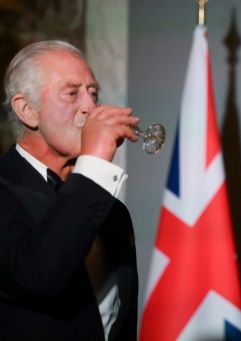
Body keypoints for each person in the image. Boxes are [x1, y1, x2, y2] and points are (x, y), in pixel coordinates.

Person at [0, 40, 139, 340]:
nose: (90, 107)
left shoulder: (114, 212)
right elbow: (38, 276)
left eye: (93, 93)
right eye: (72, 93)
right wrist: (94, 164)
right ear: (27, 110)